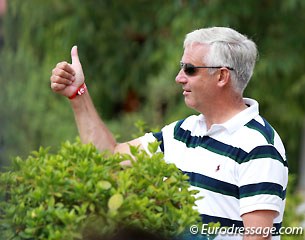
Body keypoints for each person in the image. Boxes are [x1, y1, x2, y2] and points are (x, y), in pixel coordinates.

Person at [50, 27, 288, 240]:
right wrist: (77, 94)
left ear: (222, 76)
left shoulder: (258, 146)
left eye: (190, 69)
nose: (179, 78)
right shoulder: (181, 133)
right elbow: (109, 156)